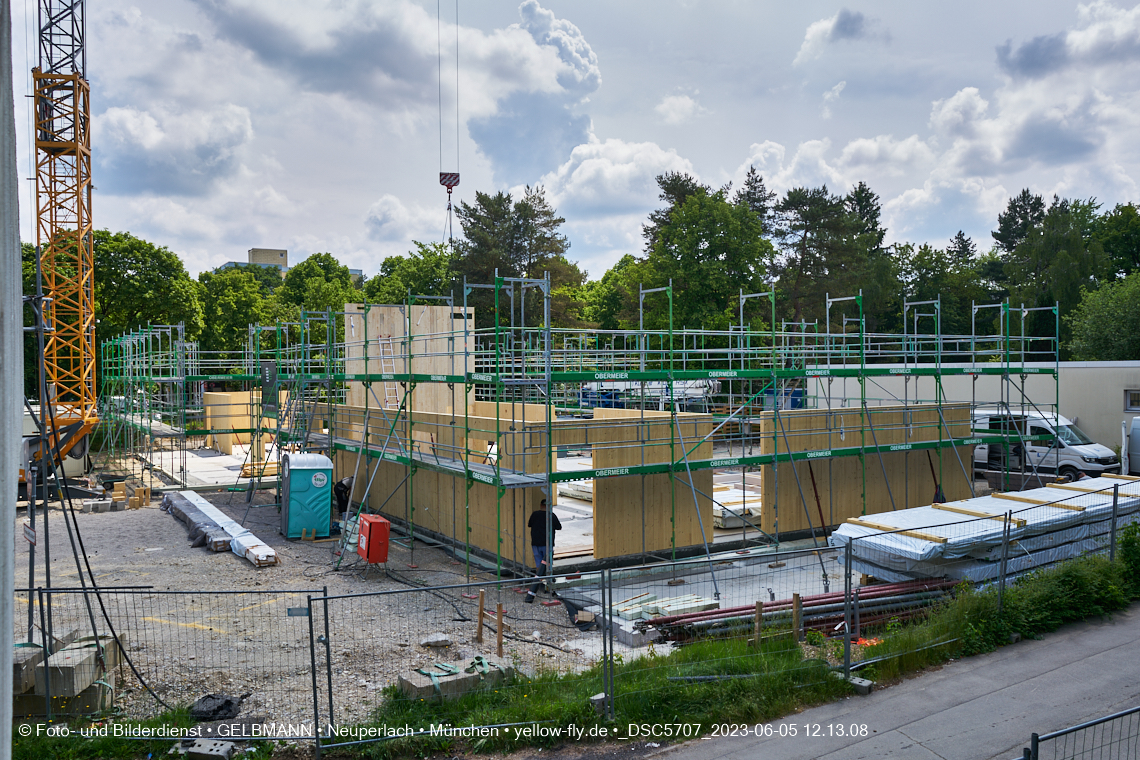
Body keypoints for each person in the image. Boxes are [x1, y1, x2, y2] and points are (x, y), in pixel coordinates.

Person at [526, 499, 561, 603]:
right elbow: (559, 527)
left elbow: (529, 524)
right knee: (548, 563)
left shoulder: (534, 514)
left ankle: (538, 584)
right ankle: (549, 583)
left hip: (536, 543)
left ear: (540, 505)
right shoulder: (551, 515)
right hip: (547, 543)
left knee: (539, 564)